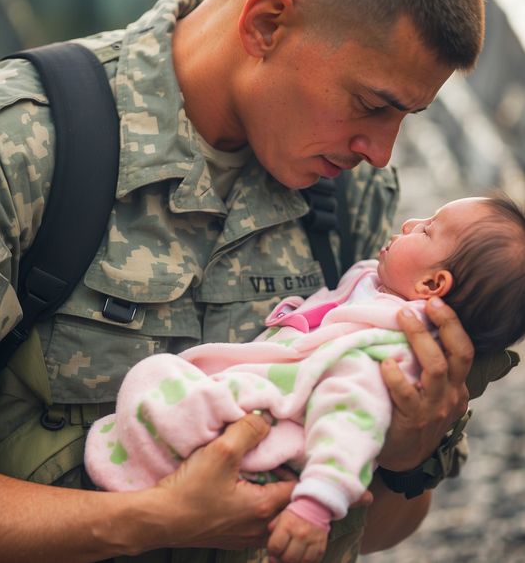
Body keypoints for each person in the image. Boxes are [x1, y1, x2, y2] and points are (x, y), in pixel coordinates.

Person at [0, 0, 513, 562]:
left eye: (407, 117)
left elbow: (391, 523)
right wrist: (152, 519)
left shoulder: (347, 197)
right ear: (267, 23)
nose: (381, 152)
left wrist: (402, 456)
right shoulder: (31, 146)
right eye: (372, 104)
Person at [83, 195, 525, 563]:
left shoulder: (391, 352)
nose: (410, 222)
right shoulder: (380, 294)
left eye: (427, 229)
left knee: (158, 379)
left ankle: (139, 461)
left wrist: (316, 506)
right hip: (257, 424)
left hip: (270, 438)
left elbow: (352, 417)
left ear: (432, 283)